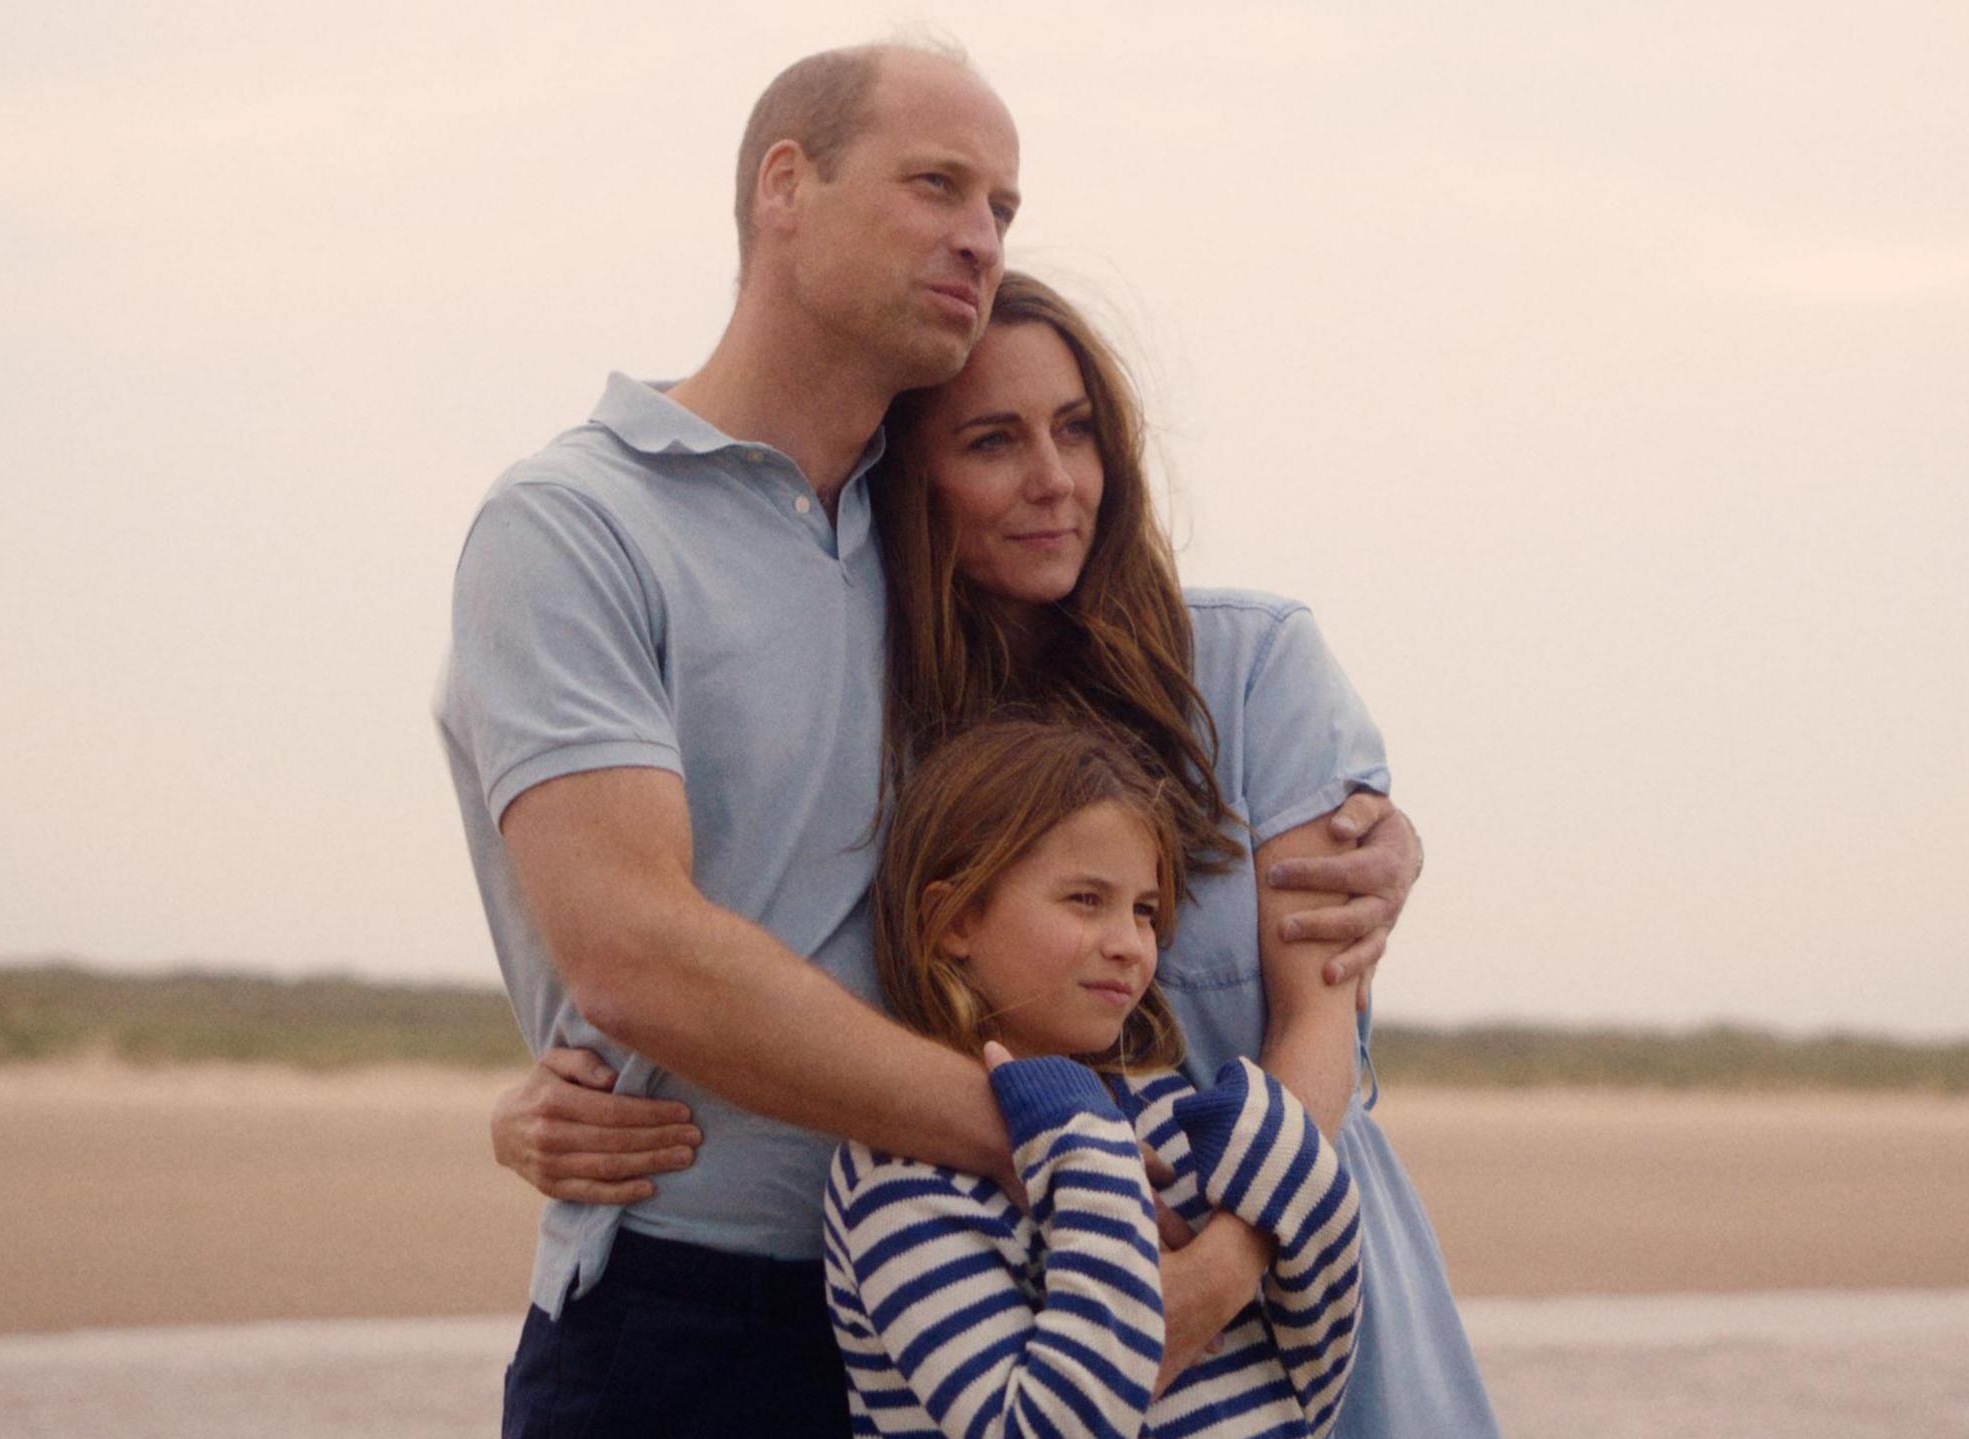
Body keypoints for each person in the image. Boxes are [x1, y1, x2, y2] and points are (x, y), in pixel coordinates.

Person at [438, 43, 1416, 1437]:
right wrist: (1043, 1139)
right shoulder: (577, 524)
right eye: (937, 185)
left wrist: (1383, 829)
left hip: (952, 1311)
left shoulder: (922, 578)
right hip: (697, 1303)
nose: (979, 233)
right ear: (787, 185)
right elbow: (631, 949)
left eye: (1003, 207)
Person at [826, 716, 1361, 1438]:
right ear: (953, 918)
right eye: (1085, 899)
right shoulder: (898, 1175)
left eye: (1143, 910)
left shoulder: (1169, 1109)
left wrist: (1298, 1176)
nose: (1129, 945)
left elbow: (1313, 1384)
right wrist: (1087, 1148)